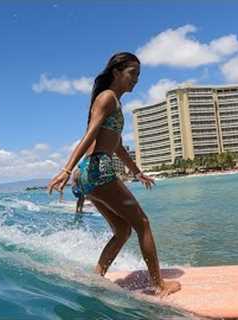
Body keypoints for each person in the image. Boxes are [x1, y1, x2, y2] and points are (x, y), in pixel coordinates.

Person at [47, 52, 181, 297]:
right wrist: (66, 169)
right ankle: (158, 286)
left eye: (139, 75)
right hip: (98, 169)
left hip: (89, 173)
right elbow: (89, 135)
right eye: (133, 74)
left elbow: (117, 145)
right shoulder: (107, 98)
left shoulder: (115, 102)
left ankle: (96, 277)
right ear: (117, 72)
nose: (136, 80)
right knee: (143, 224)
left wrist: (137, 172)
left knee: (122, 231)